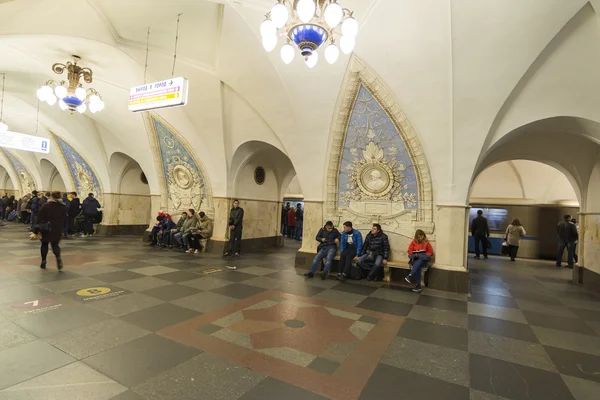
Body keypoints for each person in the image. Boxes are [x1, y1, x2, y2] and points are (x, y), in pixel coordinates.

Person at [36, 191, 67, 270]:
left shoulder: (46, 206)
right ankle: (58, 258)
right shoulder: (63, 206)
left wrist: (36, 227)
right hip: (57, 228)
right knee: (55, 245)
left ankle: (43, 261)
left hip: (46, 228)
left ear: (51, 197)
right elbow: (64, 217)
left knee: (44, 244)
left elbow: (39, 217)